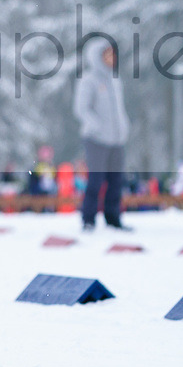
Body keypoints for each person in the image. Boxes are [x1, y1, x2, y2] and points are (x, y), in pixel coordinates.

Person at [72, 38, 131, 231]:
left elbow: (119, 109)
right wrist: (95, 125)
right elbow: (81, 109)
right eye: (107, 54)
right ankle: (88, 219)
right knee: (95, 180)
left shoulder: (115, 80)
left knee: (116, 181)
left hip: (117, 139)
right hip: (96, 139)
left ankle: (113, 218)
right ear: (97, 57)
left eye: (113, 54)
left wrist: (123, 127)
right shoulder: (88, 80)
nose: (111, 58)